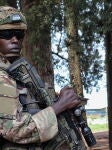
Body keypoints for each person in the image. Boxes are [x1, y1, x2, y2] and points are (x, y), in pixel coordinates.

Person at [0, 6, 82, 149]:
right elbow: (14, 129)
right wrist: (59, 106)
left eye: (19, 34)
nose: (15, 40)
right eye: (7, 34)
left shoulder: (16, 75)